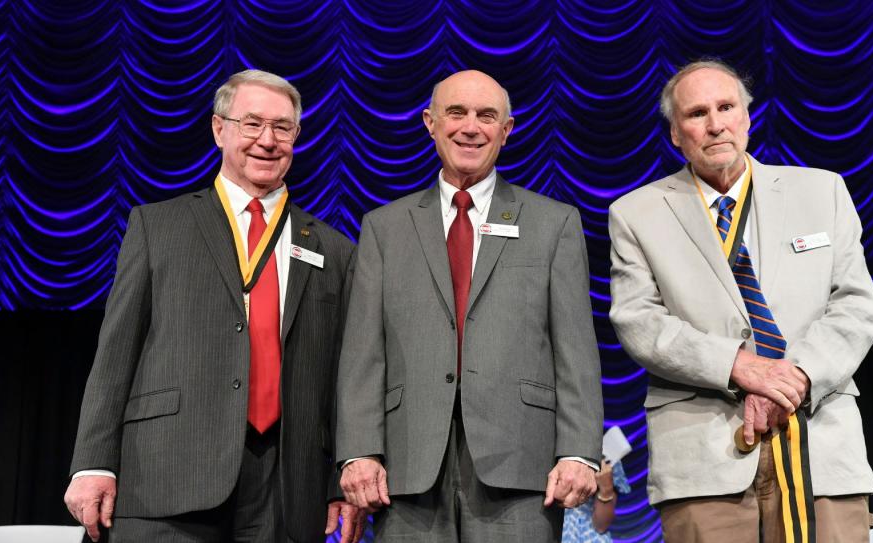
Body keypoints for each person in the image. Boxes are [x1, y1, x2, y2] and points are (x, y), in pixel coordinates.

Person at [64, 69, 365, 543]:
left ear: (297, 137)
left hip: (285, 490)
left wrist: (337, 480)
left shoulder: (335, 248)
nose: (267, 140)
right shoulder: (158, 227)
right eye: (251, 124)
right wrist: (93, 462)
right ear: (219, 128)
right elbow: (115, 353)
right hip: (165, 478)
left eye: (282, 127)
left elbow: (345, 378)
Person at [608, 59, 873, 542]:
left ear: (747, 117)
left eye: (726, 106)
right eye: (696, 114)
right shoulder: (636, 214)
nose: (715, 124)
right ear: (675, 132)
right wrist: (740, 367)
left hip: (820, 443)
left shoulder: (822, 191)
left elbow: (856, 306)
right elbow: (640, 323)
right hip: (704, 456)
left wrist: (791, 376)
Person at [334, 69, 604, 542]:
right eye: (456, 113)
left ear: (507, 129)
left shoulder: (553, 223)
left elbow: (576, 350)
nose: (470, 127)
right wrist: (359, 450)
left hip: (523, 467)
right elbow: (362, 355)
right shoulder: (384, 228)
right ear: (430, 123)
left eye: (486, 115)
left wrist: (580, 452)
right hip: (407, 467)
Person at [562, 459, 631, 542]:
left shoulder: (607, 451)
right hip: (547, 529)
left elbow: (601, 526)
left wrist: (606, 488)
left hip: (587, 534)